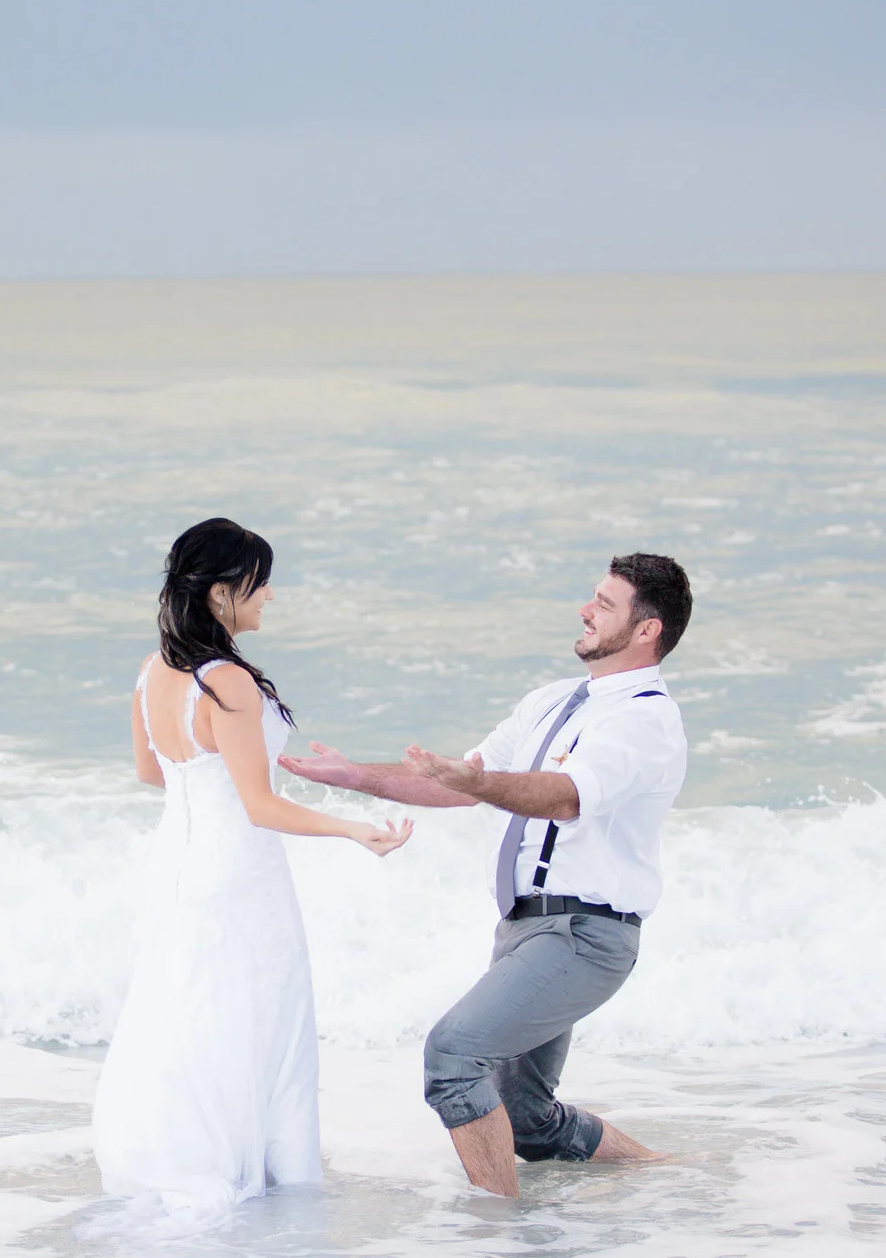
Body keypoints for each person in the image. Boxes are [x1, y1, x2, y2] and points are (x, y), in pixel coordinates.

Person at [279, 553, 691, 1196]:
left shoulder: (645, 720)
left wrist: (480, 782)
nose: (585, 609)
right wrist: (357, 775)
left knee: (453, 1056)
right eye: (593, 596)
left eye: (605, 604)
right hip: (525, 931)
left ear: (647, 631)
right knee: (529, 1122)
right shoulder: (555, 701)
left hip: (585, 936)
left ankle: (495, 1240)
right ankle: (670, 1178)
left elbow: (562, 796)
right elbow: (461, 783)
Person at [93, 518, 414, 1222]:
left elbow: (154, 772)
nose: (269, 593)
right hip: (240, 875)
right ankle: (274, 1180)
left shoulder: (154, 672)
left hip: (178, 867)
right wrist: (355, 828)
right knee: (265, 1019)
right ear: (218, 592)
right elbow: (261, 807)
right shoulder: (228, 680)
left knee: (192, 1014)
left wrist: (234, 774)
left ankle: (198, 1153)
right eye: (257, 580)